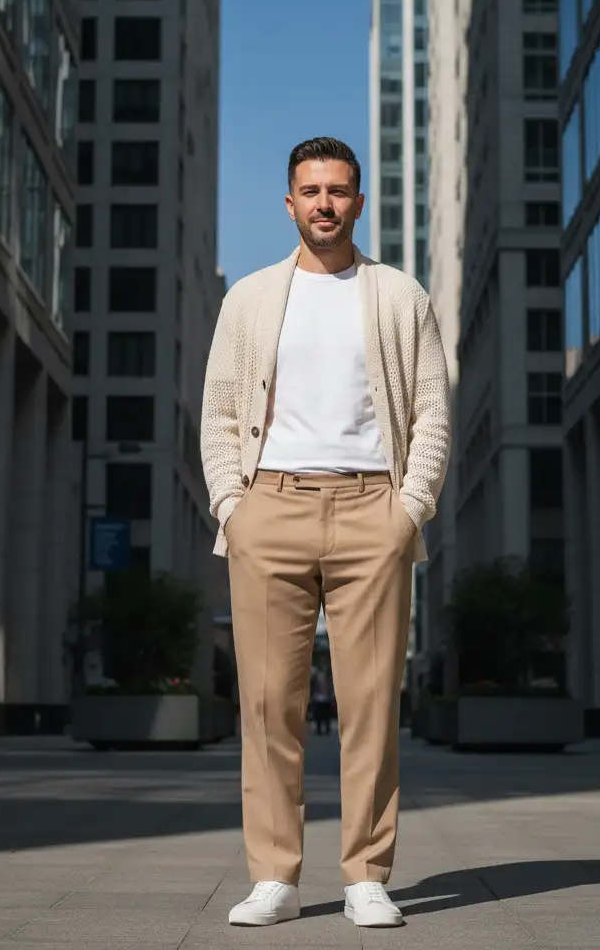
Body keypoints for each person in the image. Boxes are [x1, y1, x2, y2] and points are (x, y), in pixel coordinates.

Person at [200, 137, 451, 929]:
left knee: (371, 702)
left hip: (372, 508)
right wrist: (231, 507)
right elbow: (216, 412)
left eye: (338, 191)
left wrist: (408, 509)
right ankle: (274, 875)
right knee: (269, 703)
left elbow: (432, 412)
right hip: (267, 507)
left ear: (359, 202)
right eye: (310, 191)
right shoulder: (247, 298)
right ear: (288, 203)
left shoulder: (399, 296)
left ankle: (367, 874)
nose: (324, 205)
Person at [310, 668, 334, 735]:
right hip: (319, 698)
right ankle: (320, 729)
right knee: (320, 716)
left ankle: (325, 729)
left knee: (326, 715)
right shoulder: (317, 677)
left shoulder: (328, 678)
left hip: (325, 698)